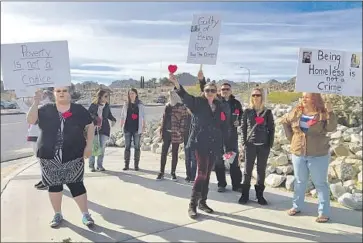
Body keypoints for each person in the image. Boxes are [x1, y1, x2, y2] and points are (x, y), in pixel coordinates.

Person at [26, 87, 95, 228]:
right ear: (54, 94)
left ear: (70, 93)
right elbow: (31, 120)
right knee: (54, 186)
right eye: (58, 91)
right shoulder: (46, 109)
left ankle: (85, 214)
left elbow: (90, 126)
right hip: (49, 156)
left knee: (76, 184)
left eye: (65, 90)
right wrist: (36, 102)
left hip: (74, 154)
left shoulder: (78, 109)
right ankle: (57, 214)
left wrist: (89, 146)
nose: (62, 93)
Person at [169, 71, 231, 219]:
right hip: (200, 142)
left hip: (213, 143)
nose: (210, 93)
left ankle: (203, 202)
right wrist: (176, 83)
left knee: (208, 174)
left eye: (213, 90)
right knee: (201, 172)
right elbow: (185, 96)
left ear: (216, 93)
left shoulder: (219, 105)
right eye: (207, 90)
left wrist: (226, 146)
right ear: (204, 92)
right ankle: (192, 205)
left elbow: (223, 125)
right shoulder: (197, 103)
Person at [281, 93, 337, 223]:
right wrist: (291, 139)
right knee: (300, 181)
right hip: (298, 153)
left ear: (315, 100)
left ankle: (323, 212)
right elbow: (285, 121)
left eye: (307, 97)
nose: (303, 99)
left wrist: (330, 112)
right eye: (302, 97)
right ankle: (296, 206)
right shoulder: (297, 111)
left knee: (320, 184)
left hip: (318, 155)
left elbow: (332, 127)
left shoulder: (323, 113)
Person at [200, 76, 243, 192]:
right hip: (218, 137)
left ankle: (236, 185)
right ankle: (221, 184)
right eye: (223, 89)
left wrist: (238, 122)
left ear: (231, 90)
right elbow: (204, 93)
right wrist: (201, 80)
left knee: (233, 160)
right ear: (220, 91)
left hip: (232, 137)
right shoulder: (216, 101)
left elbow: (242, 117)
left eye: (227, 89)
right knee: (219, 161)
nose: (225, 91)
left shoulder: (236, 103)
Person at [238, 87, 275, 205]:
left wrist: (269, 144)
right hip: (250, 145)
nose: (255, 97)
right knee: (247, 171)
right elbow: (243, 128)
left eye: (258, 95)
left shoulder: (267, 112)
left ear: (262, 97)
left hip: (263, 146)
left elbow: (271, 129)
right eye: (253, 95)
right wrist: (244, 143)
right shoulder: (247, 112)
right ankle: (244, 195)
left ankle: (260, 196)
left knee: (261, 171)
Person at [156, 90, 188, 181]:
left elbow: (184, 120)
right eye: (170, 95)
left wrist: (180, 131)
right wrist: (161, 130)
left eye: (173, 95)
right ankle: (161, 172)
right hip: (166, 132)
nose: (171, 96)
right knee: (164, 153)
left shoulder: (182, 107)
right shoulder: (167, 106)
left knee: (174, 153)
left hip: (175, 133)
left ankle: (173, 173)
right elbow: (164, 118)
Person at [88, 89, 117, 172]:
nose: (107, 98)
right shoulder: (93, 105)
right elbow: (88, 114)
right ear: (100, 97)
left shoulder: (107, 105)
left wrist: (113, 120)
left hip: (104, 129)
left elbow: (109, 115)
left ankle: (99, 165)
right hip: (94, 129)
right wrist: (95, 117)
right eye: (105, 96)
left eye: (107, 96)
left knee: (102, 148)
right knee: (94, 147)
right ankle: (91, 165)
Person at [120, 88, 145, 171]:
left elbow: (143, 117)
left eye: (133, 93)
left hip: (137, 129)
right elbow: (122, 116)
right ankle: (126, 164)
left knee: (137, 147)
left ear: (136, 94)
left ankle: (136, 165)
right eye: (130, 94)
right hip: (127, 128)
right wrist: (121, 127)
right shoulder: (126, 104)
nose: (131, 95)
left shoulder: (140, 104)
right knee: (127, 147)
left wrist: (143, 127)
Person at [184, 107, 197, 183]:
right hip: (186, 140)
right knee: (187, 159)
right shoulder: (185, 116)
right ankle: (188, 175)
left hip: (194, 141)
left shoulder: (196, 116)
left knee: (194, 159)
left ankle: (193, 177)